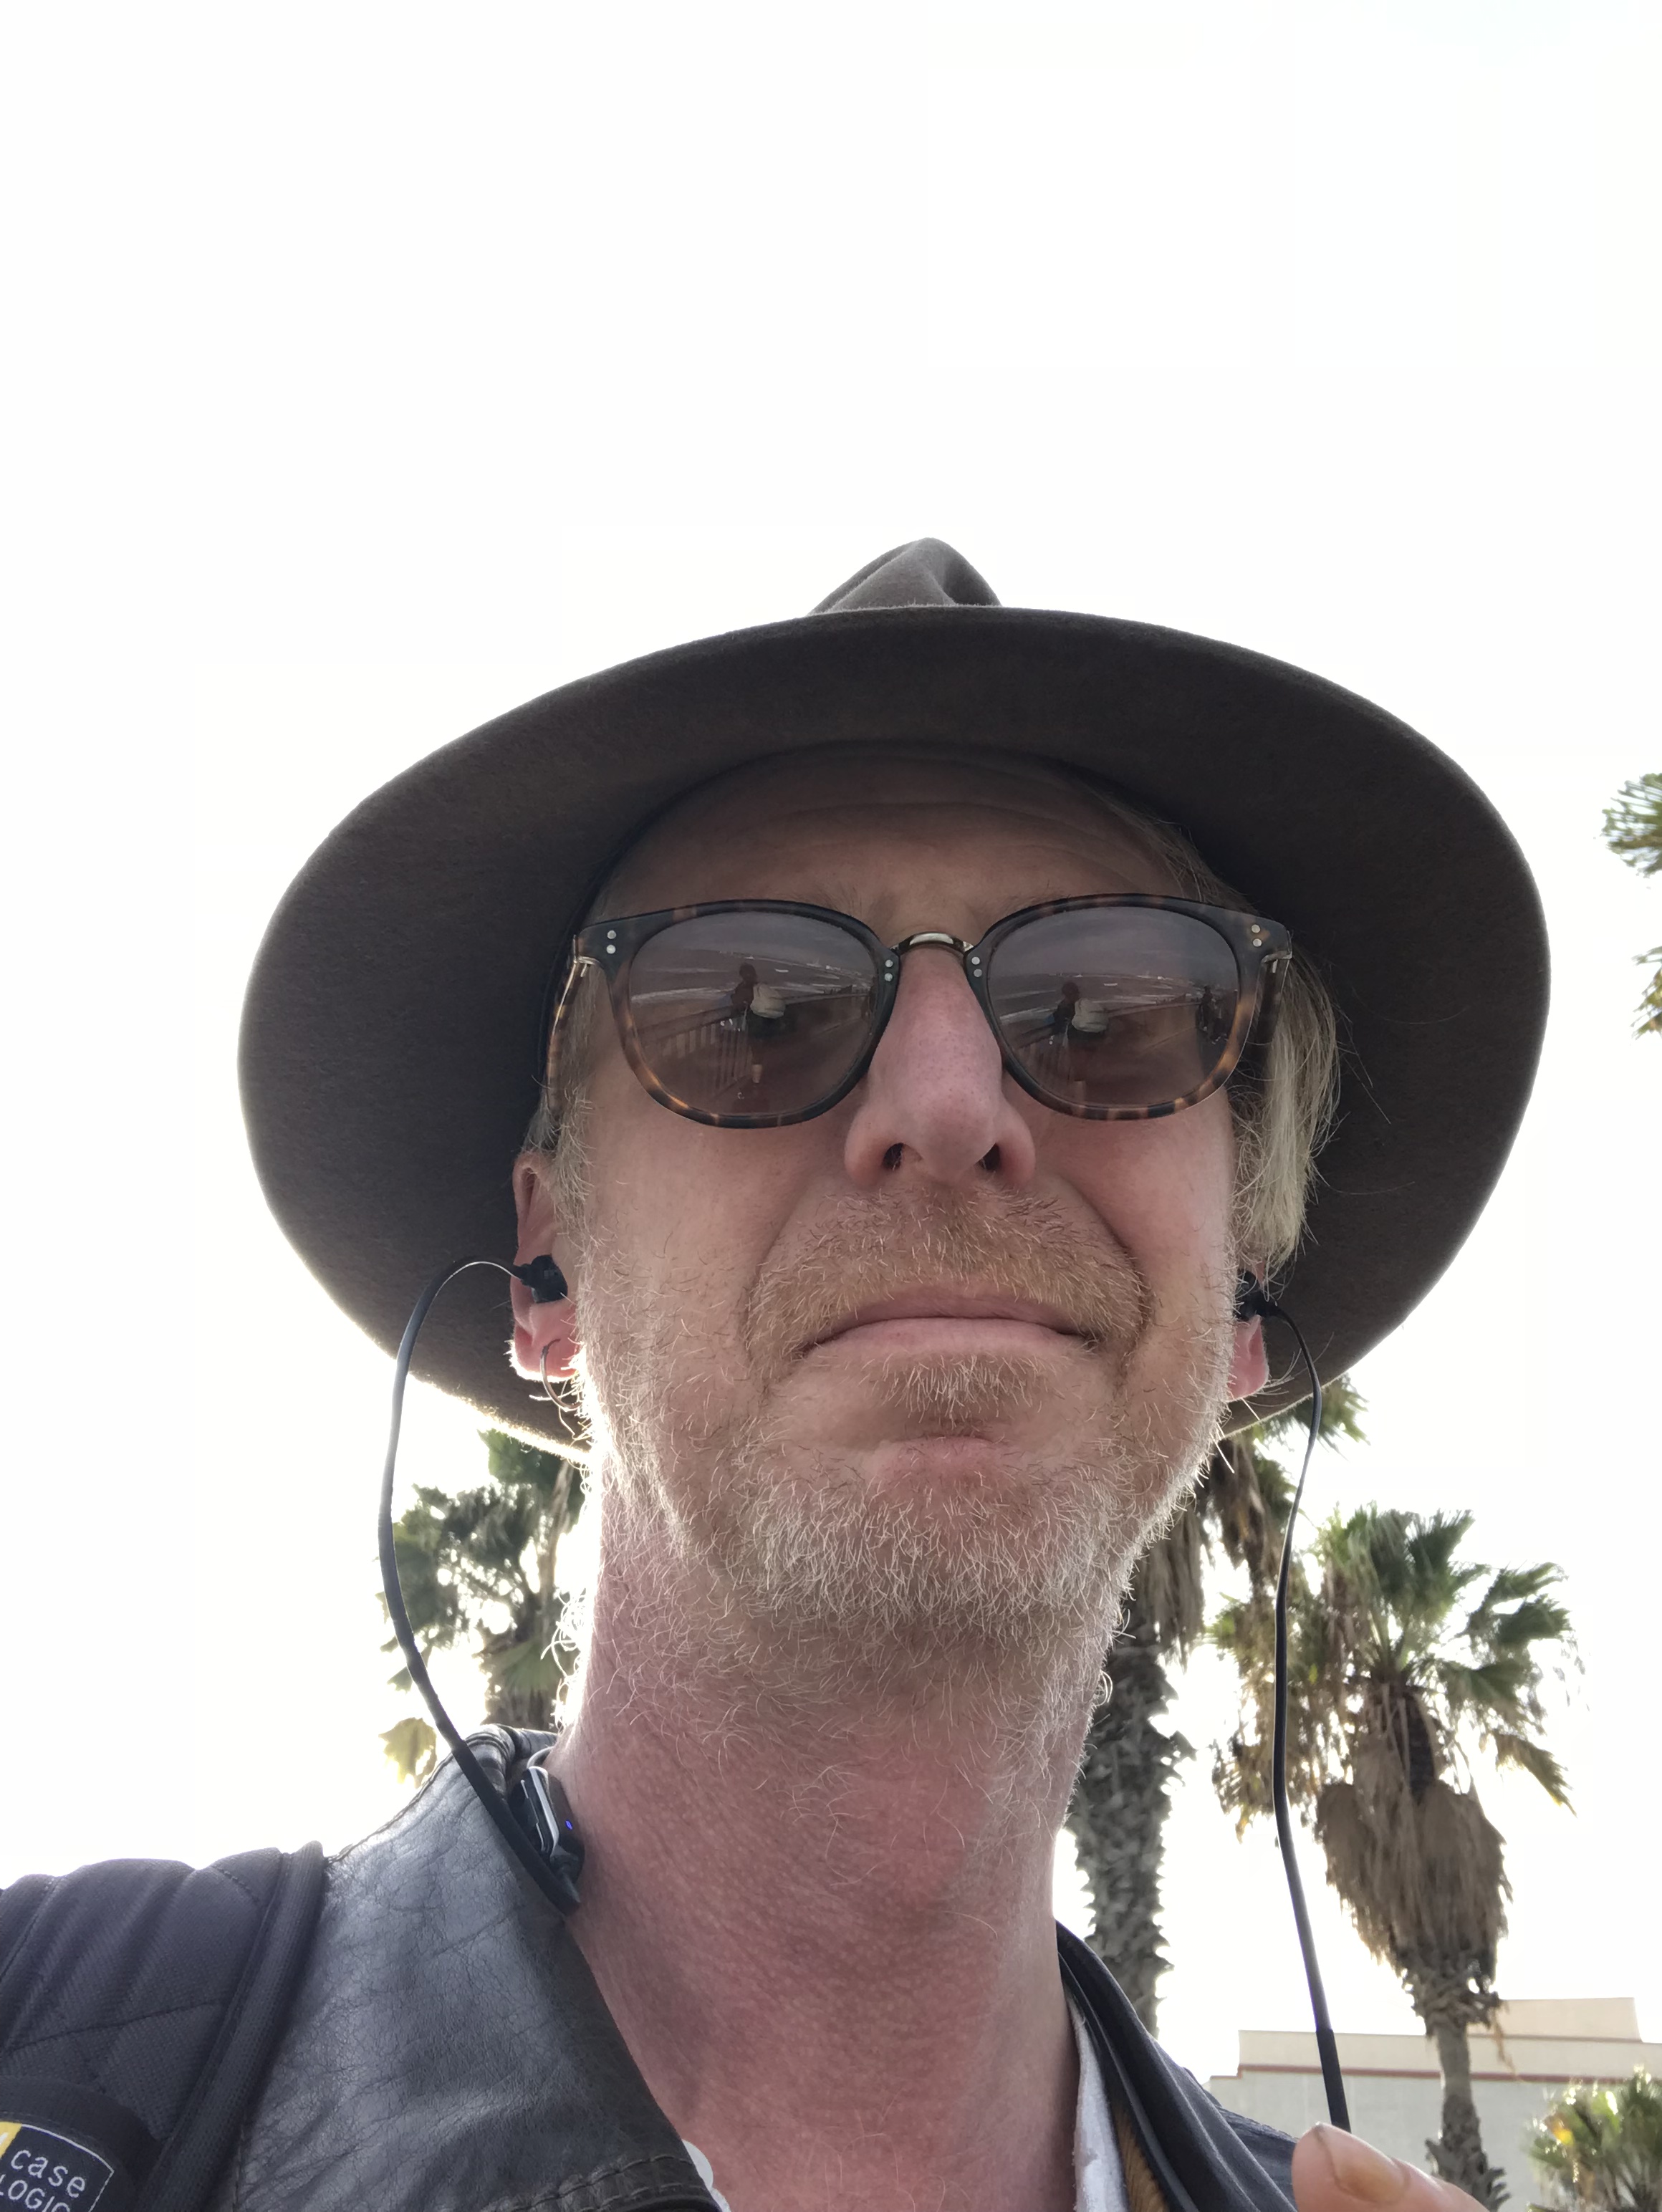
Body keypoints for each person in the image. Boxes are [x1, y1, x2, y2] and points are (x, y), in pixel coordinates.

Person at [35, 542, 1555, 2212]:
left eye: (1104, 1007)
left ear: (1246, 1279)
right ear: (547, 1264)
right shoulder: (56, 2053)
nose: (949, 1105)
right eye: (750, 1008)